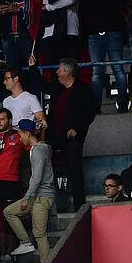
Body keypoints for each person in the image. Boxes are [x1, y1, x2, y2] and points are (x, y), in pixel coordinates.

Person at [47, 58, 98, 210]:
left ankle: (79, 207)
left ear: (68, 72)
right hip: (55, 137)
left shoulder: (84, 91)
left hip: (72, 139)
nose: (57, 72)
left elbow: (90, 113)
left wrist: (78, 129)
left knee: (75, 171)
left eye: (60, 69)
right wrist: (33, 68)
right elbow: (41, 86)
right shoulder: (58, 88)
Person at [5, 120, 56, 259]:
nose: (20, 138)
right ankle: (26, 242)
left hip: (42, 197)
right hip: (36, 196)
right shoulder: (39, 148)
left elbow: (37, 177)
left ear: (27, 133)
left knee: (40, 233)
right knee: (9, 211)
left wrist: (27, 197)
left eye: (21, 134)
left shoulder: (39, 150)